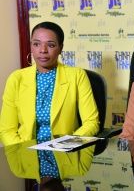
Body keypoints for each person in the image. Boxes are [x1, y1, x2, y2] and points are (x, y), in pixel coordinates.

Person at [0, 21, 99, 182]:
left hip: (67, 151)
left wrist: (65, 145)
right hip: (27, 151)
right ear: (31, 46)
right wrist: (26, 150)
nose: (43, 50)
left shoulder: (77, 76)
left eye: (51, 45)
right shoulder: (16, 79)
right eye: (36, 44)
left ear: (60, 47)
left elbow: (91, 122)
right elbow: (7, 130)